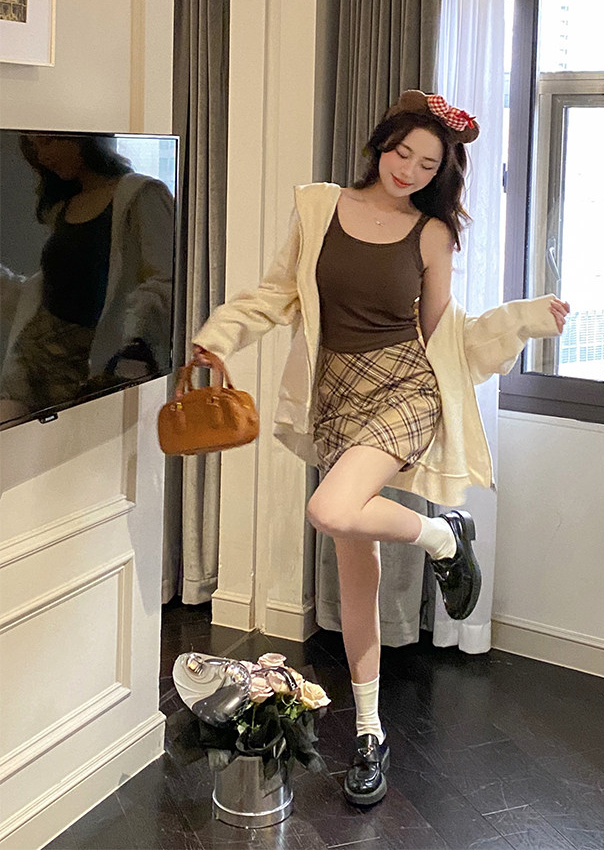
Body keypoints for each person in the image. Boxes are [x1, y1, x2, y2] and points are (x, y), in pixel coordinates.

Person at [192, 90, 569, 806]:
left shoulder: (431, 234)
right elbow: (276, 294)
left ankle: (442, 536)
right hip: (337, 396)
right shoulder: (318, 208)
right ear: (381, 145)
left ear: (440, 174)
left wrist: (523, 319)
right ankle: (370, 730)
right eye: (404, 153)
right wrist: (220, 336)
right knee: (353, 567)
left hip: (404, 389)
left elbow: (446, 338)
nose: (411, 171)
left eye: (428, 165)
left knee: (330, 508)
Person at [0, 133, 173, 422]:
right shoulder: (63, 207)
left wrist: (135, 346)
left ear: (83, 140)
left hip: (93, 368)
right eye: (34, 147)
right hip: (35, 360)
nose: (42, 156)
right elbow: (46, 293)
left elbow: (164, 281)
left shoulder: (141, 194)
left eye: (48, 142)